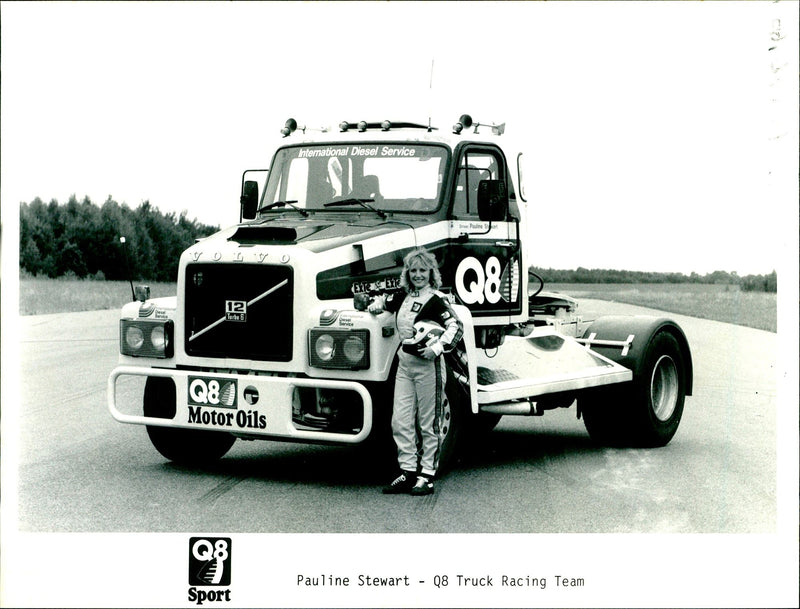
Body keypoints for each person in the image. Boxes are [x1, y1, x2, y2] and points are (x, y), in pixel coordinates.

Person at [367, 247, 463, 496]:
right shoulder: (403, 296)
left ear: (431, 273)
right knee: (400, 420)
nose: (418, 275)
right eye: (413, 270)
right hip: (404, 365)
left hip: (428, 366)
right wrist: (374, 306)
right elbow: (383, 303)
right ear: (407, 273)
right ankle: (408, 471)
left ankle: (427, 475)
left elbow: (456, 325)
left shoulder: (436, 299)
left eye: (422, 270)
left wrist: (438, 348)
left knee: (428, 422)